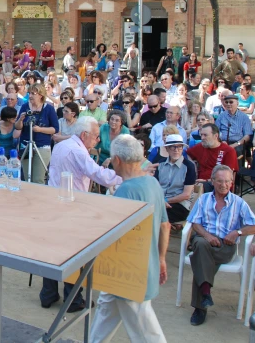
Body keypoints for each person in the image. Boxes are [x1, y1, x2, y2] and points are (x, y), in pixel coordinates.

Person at [89, 135, 170, 342]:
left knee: (146, 330)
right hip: (140, 267)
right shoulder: (152, 183)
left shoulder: (126, 191)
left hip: (130, 272)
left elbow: (114, 236)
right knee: (107, 309)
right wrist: (161, 258)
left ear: (117, 160)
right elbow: (164, 225)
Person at [41, 117, 122, 312]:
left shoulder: (63, 145)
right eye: (95, 137)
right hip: (71, 205)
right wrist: (124, 175)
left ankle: (48, 294)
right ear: (84, 135)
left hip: (55, 200)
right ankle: (73, 299)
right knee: (73, 253)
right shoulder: (77, 150)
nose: (97, 141)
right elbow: (99, 175)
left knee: (53, 251)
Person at [187, 165, 255, 325]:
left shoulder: (238, 203)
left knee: (199, 253)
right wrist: (207, 235)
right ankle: (202, 301)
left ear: (232, 182)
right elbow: (194, 223)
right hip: (205, 241)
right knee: (200, 243)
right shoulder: (204, 199)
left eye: (227, 181)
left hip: (225, 247)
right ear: (212, 181)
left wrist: (237, 233)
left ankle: (203, 299)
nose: (224, 185)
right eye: (220, 181)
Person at [15, 83, 59, 183]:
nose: (30, 96)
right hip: (25, 145)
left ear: (40, 95)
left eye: (33, 93)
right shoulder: (24, 107)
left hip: (42, 146)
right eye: (29, 93)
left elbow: (55, 129)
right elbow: (17, 127)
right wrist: (20, 120)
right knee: (26, 177)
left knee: (37, 179)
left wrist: (40, 129)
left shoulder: (49, 109)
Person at [154, 134, 197, 223]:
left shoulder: (189, 166)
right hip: (160, 202)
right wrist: (160, 201)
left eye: (179, 147)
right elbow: (155, 187)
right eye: (173, 147)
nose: (176, 150)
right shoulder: (160, 164)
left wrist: (165, 201)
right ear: (167, 149)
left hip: (180, 204)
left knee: (156, 216)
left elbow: (186, 195)